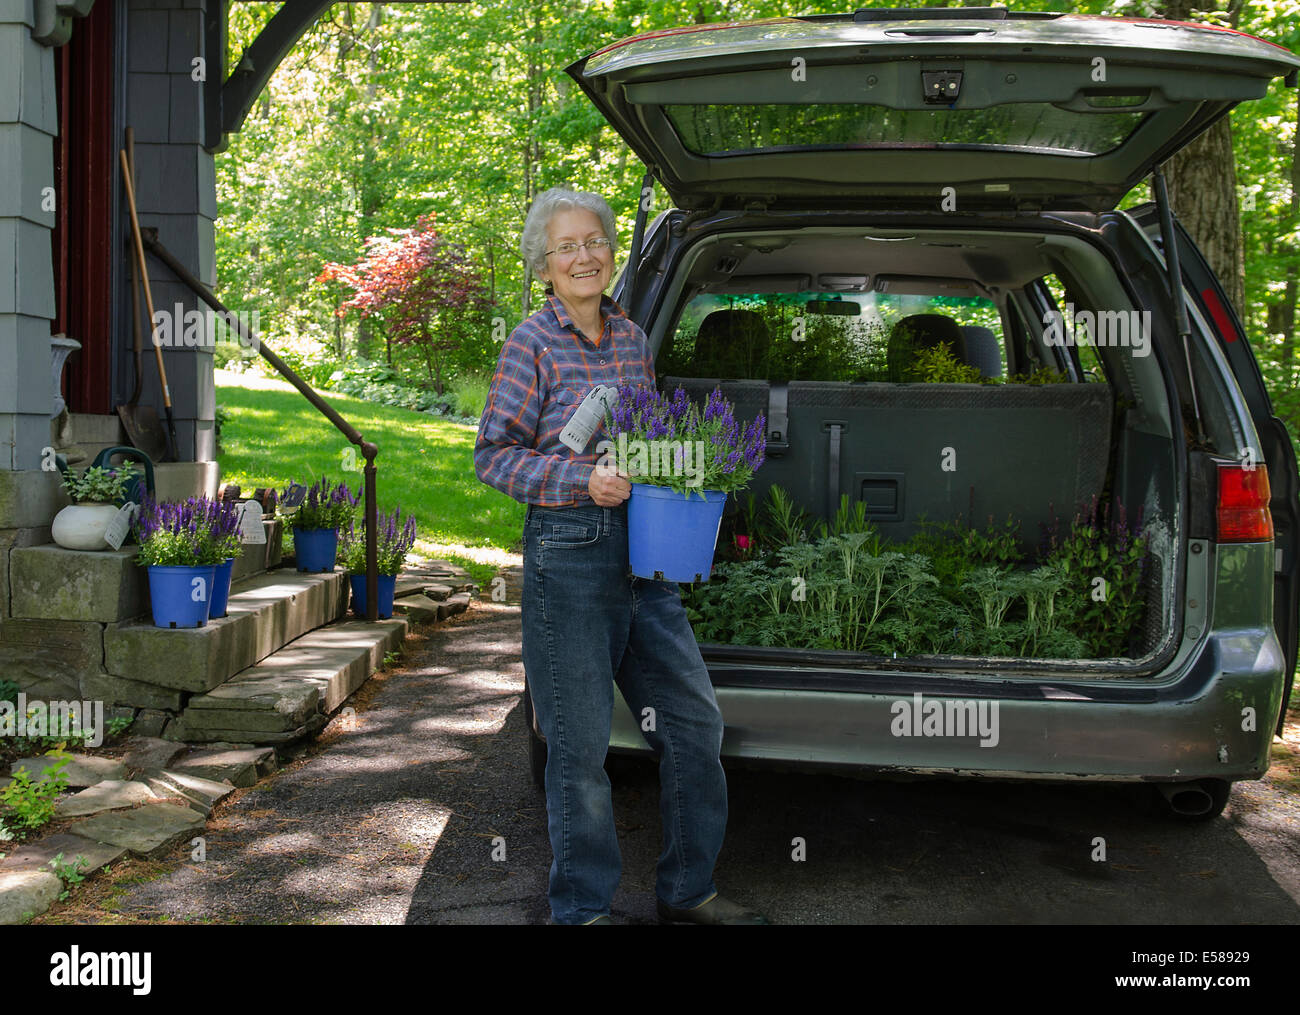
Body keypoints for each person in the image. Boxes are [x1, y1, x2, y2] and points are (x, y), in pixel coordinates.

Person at [474, 185, 769, 926]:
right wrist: (582, 479)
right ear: (545, 264)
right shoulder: (530, 344)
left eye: (595, 241)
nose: (584, 256)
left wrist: (682, 475)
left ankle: (688, 891)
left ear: (612, 252)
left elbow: (647, 437)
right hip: (569, 557)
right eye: (567, 246)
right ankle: (581, 909)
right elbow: (493, 457)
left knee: (695, 726)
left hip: (645, 555)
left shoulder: (633, 339)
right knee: (577, 748)